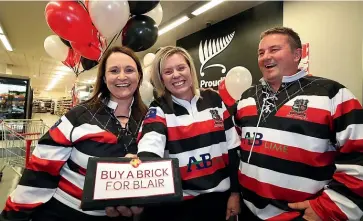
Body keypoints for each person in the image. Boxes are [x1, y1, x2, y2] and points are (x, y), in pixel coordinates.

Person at [0, 46, 148, 221]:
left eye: (129, 70)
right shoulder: (78, 115)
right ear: (104, 78)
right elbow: (41, 168)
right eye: (114, 70)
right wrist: (13, 215)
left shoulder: (151, 120)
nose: (122, 76)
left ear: (139, 76)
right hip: (65, 212)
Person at [234, 27, 363, 221]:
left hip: (301, 216)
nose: (265, 57)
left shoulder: (333, 94)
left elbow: (359, 160)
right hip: (248, 211)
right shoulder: (246, 98)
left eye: (274, 49)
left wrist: (329, 208)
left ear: (297, 54)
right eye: (261, 52)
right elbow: (236, 150)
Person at [136, 46, 241, 221]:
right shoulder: (159, 108)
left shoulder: (214, 99)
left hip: (219, 201)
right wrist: (142, 164)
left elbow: (232, 149)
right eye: (168, 71)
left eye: (181, 68)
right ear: (161, 78)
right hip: (181, 207)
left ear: (190, 70)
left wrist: (235, 193)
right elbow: (150, 144)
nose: (176, 75)